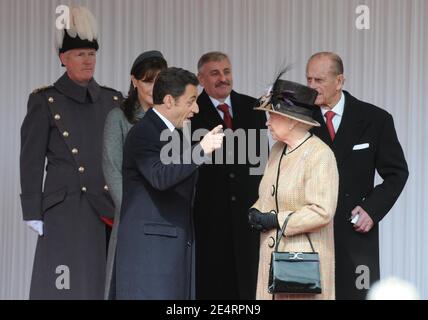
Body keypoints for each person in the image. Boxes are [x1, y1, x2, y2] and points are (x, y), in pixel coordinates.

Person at [19, 6, 122, 299]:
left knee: (103, 286)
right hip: (66, 209)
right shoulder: (45, 100)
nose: (88, 60)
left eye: (91, 53)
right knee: (64, 287)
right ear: (63, 59)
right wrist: (32, 210)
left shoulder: (112, 100)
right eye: (80, 54)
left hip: (106, 207)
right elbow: (30, 159)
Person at [306, 52, 409, 299]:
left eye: (319, 80)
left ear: (339, 81)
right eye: (308, 79)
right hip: (310, 234)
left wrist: (371, 210)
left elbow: (397, 173)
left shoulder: (375, 119)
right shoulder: (300, 121)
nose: (311, 87)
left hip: (355, 234)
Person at [115, 67, 225, 299]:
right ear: (168, 101)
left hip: (170, 249)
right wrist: (201, 150)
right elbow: (160, 177)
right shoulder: (144, 132)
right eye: (191, 101)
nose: (196, 109)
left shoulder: (173, 133)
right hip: (150, 256)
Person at [248, 75, 339, 300]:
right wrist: (256, 211)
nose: (267, 122)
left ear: (291, 120)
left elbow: (322, 210)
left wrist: (277, 220)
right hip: (273, 258)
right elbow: (269, 194)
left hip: (303, 262)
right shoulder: (278, 149)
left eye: (272, 116)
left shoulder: (320, 155)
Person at [191, 51, 267, 299]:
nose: (223, 78)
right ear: (201, 79)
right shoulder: (191, 112)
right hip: (209, 220)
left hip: (249, 219)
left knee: (250, 288)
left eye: (226, 71)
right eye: (215, 73)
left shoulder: (253, 107)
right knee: (213, 289)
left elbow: (262, 162)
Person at [103, 50, 167, 299]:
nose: (154, 87)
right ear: (134, 81)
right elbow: (111, 168)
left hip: (164, 217)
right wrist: (134, 211)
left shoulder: (172, 121)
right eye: (148, 81)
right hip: (131, 215)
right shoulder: (118, 117)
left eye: (159, 81)